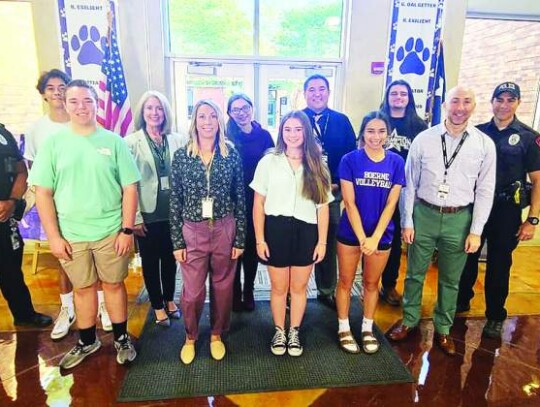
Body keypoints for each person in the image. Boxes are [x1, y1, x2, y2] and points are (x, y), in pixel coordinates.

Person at [30, 80, 140, 369]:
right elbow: (43, 192)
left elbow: (130, 187)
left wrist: (127, 229)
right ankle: (87, 340)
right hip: (72, 234)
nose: (82, 107)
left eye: (88, 101)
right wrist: (53, 237)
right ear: (65, 104)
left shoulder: (114, 142)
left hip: (110, 232)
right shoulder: (53, 144)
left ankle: (121, 338)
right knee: (82, 288)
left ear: (96, 104)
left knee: (114, 285)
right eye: (75, 101)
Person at [387, 86, 496, 356]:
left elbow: (485, 189)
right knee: (414, 274)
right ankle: (410, 320)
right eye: (455, 101)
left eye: (466, 102)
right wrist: (407, 221)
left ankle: (443, 328)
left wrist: (476, 231)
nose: (460, 107)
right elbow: (409, 182)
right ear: (445, 105)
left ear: (474, 105)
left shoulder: (484, 144)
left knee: (450, 279)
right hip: (424, 213)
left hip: (459, 218)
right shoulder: (424, 139)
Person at [25, 69, 113, 340]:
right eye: (50, 88)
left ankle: (103, 306)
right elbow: (34, 174)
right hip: (60, 211)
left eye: (61, 86)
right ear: (43, 94)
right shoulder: (38, 131)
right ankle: (67, 309)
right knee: (65, 263)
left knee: (99, 266)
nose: (58, 92)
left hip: (95, 212)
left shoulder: (94, 130)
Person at [457, 82, 540, 339]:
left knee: (499, 264)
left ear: (517, 103)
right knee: (467, 259)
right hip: (475, 207)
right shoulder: (477, 133)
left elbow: (537, 180)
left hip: (506, 210)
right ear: (491, 102)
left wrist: (532, 219)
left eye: (510, 100)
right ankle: (461, 302)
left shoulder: (528, 137)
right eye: (499, 99)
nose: (504, 105)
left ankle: (495, 315)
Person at [251, 110, 332, 357]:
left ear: (306, 132)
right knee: (278, 287)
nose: (293, 134)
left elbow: (323, 208)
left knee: (299, 288)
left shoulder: (318, 164)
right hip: (275, 230)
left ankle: (293, 331)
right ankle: (279, 330)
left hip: (306, 231)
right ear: (281, 132)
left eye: (298, 129)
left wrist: (322, 242)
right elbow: (258, 205)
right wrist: (260, 238)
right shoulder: (268, 162)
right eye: (288, 129)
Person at [170, 99, 246, 365]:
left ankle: (216, 334)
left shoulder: (231, 154)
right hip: (192, 230)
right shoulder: (182, 156)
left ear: (219, 122)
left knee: (223, 287)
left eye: (212, 116)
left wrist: (240, 237)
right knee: (191, 292)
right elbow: (175, 200)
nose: (207, 122)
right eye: (202, 116)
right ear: (194, 122)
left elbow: (240, 197)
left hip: (225, 227)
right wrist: (177, 241)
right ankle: (190, 337)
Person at [335, 111, 405, 354]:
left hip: (381, 235)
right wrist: (363, 238)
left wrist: (375, 238)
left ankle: (367, 326)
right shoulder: (349, 160)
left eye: (381, 131)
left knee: (372, 283)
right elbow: (349, 202)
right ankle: (343, 326)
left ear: (388, 134)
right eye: (371, 131)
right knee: (345, 281)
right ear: (363, 133)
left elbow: (391, 204)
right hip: (350, 233)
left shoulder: (396, 162)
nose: (376, 136)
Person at [125, 91, 187, 327]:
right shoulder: (131, 142)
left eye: (159, 108)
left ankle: (170, 300)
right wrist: (135, 218)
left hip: (173, 212)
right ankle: (158, 305)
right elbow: (127, 184)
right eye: (149, 108)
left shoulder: (177, 139)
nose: (154, 113)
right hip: (147, 213)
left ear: (165, 112)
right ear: (142, 112)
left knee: (171, 259)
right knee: (151, 261)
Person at [302, 74, 356, 310]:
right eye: (311, 89)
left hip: (331, 193)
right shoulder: (296, 119)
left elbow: (350, 157)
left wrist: (336, 183)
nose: (316, 94)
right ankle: (296, 290)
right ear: (305, 94)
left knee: (328, 241)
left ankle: (325, 290)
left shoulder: (341, 121)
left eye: (321, 89)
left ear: (328, 92)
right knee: (301, 241)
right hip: (300, 193)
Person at [379, 79, 428, 306]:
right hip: (377, 187)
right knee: (371, 235)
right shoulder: (377, 120)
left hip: (405, 190)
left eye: (403, 94)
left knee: (395, 239)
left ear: (409, 98)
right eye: (394, 93)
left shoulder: (419, 126)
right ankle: (368, 283)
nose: (398, 97)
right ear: (387, 97)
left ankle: (389, 284)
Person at [0, 123, 52, 328]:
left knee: (11, 269)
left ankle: (24, 314)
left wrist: (12, 202)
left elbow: (21, 170)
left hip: (5, 214)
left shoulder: (4, 134)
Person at [226, 94, 274, 312]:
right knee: (234, 247)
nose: (241, 112)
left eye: (244, 108)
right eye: (235, 109)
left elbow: (273, 163)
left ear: (252, 109)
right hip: (232, 200)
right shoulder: (226, 135)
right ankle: (234, 292)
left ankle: (249, 290)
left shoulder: (263, 135)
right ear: (229, 113)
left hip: (257, 198)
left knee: (253, 247)